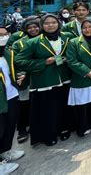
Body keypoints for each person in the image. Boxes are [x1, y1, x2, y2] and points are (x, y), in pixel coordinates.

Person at [15, 14, 74, 146]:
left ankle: (64, 128)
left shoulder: (67, 37)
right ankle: (49, 134)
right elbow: (19, 60)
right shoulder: (33, 42)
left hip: (65, 78)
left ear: (58, 23)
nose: (51, 25)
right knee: (48, 110)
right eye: (47, 23)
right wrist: (43, 62)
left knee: (64, 106)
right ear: (42, 25)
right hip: (45, 81)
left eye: (54, 22)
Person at [5, 16, 41, 144]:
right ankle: (22, 129)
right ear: (25, 29)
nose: (33, 29)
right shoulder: (18, 43)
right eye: (29, 27)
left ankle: (35, 125)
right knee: (24, 104)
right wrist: (25, 72)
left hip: (40, 77)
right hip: (24, 79)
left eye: (35, 26)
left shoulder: (44, 40)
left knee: (36, 104)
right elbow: (16, 62)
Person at [0, 49, 24, 173]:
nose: (3, 37)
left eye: (5, 34)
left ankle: (5, 151)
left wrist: (21, 75)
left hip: (11, 94)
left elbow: (16, 67)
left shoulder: (7, 53)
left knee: (10, 125)